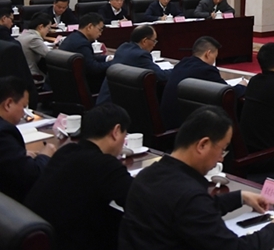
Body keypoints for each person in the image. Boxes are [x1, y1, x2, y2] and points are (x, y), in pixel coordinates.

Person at [119, 106, 274, 250]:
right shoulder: (189, 196)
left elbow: (195, 212)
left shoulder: (148, 175)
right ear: (203, 145)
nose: (221, 159)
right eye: (223, 149)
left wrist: (240, 197)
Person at [25, 103, 132, 250]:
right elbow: (136, 201)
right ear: (116, 131)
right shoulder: (104, 165)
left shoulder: (66, 151)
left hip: (36, 237)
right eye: (125, 135)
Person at [160, 36, 246, 130]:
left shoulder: (182, 64)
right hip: (184, 128)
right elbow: (227, 93)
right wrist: (241, 86)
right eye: (215, 57)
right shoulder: (206, 70)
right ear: (208, 54)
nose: (214, 61)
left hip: (168, 122)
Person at [0, 76, 55, 202]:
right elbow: (33, 176)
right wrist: (45, 155)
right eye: (24, 107)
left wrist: (20, 155)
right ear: (8, 104)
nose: (24, 114)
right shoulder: (3, 134)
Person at [96, 26, 167, 105]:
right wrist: (175, 70)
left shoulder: (123, 48)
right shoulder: (141, 55)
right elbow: (160, 76)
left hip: (104, 101)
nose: (154, 45)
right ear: (144, 41)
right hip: (115, 107)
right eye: (154, 41)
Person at [58, 13, 114, 93]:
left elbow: (88, 58)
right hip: (75, 89)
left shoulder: (73, 37)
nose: (100, 34)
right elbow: (94, 69)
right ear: (89, 27)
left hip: (63, 84)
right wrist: (114, 62)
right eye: (100, 30)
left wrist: (107, 58)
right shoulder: (82, 43)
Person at [17, 13, 53, 77]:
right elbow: (50, 55)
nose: (48, 31)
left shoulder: (23, 35)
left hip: (21, 73)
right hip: (33, 76)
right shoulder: (34, 39)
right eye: (48, 28)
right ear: (41, 27)